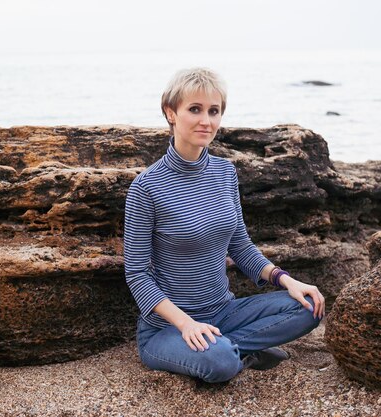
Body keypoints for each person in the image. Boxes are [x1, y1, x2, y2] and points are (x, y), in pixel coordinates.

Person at [124, 67, 325, 383]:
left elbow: (240, 245)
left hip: (225, 313)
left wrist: (286, 280)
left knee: (309, 305)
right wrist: (186, 324)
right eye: (195, 109)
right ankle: (233, 351)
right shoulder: (146, 188)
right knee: (220, 364)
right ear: (170, 113)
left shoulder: (224, 173)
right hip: (167, 329)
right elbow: (136, 273)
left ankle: (233, 346)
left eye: (213, 111)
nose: (206, 120)